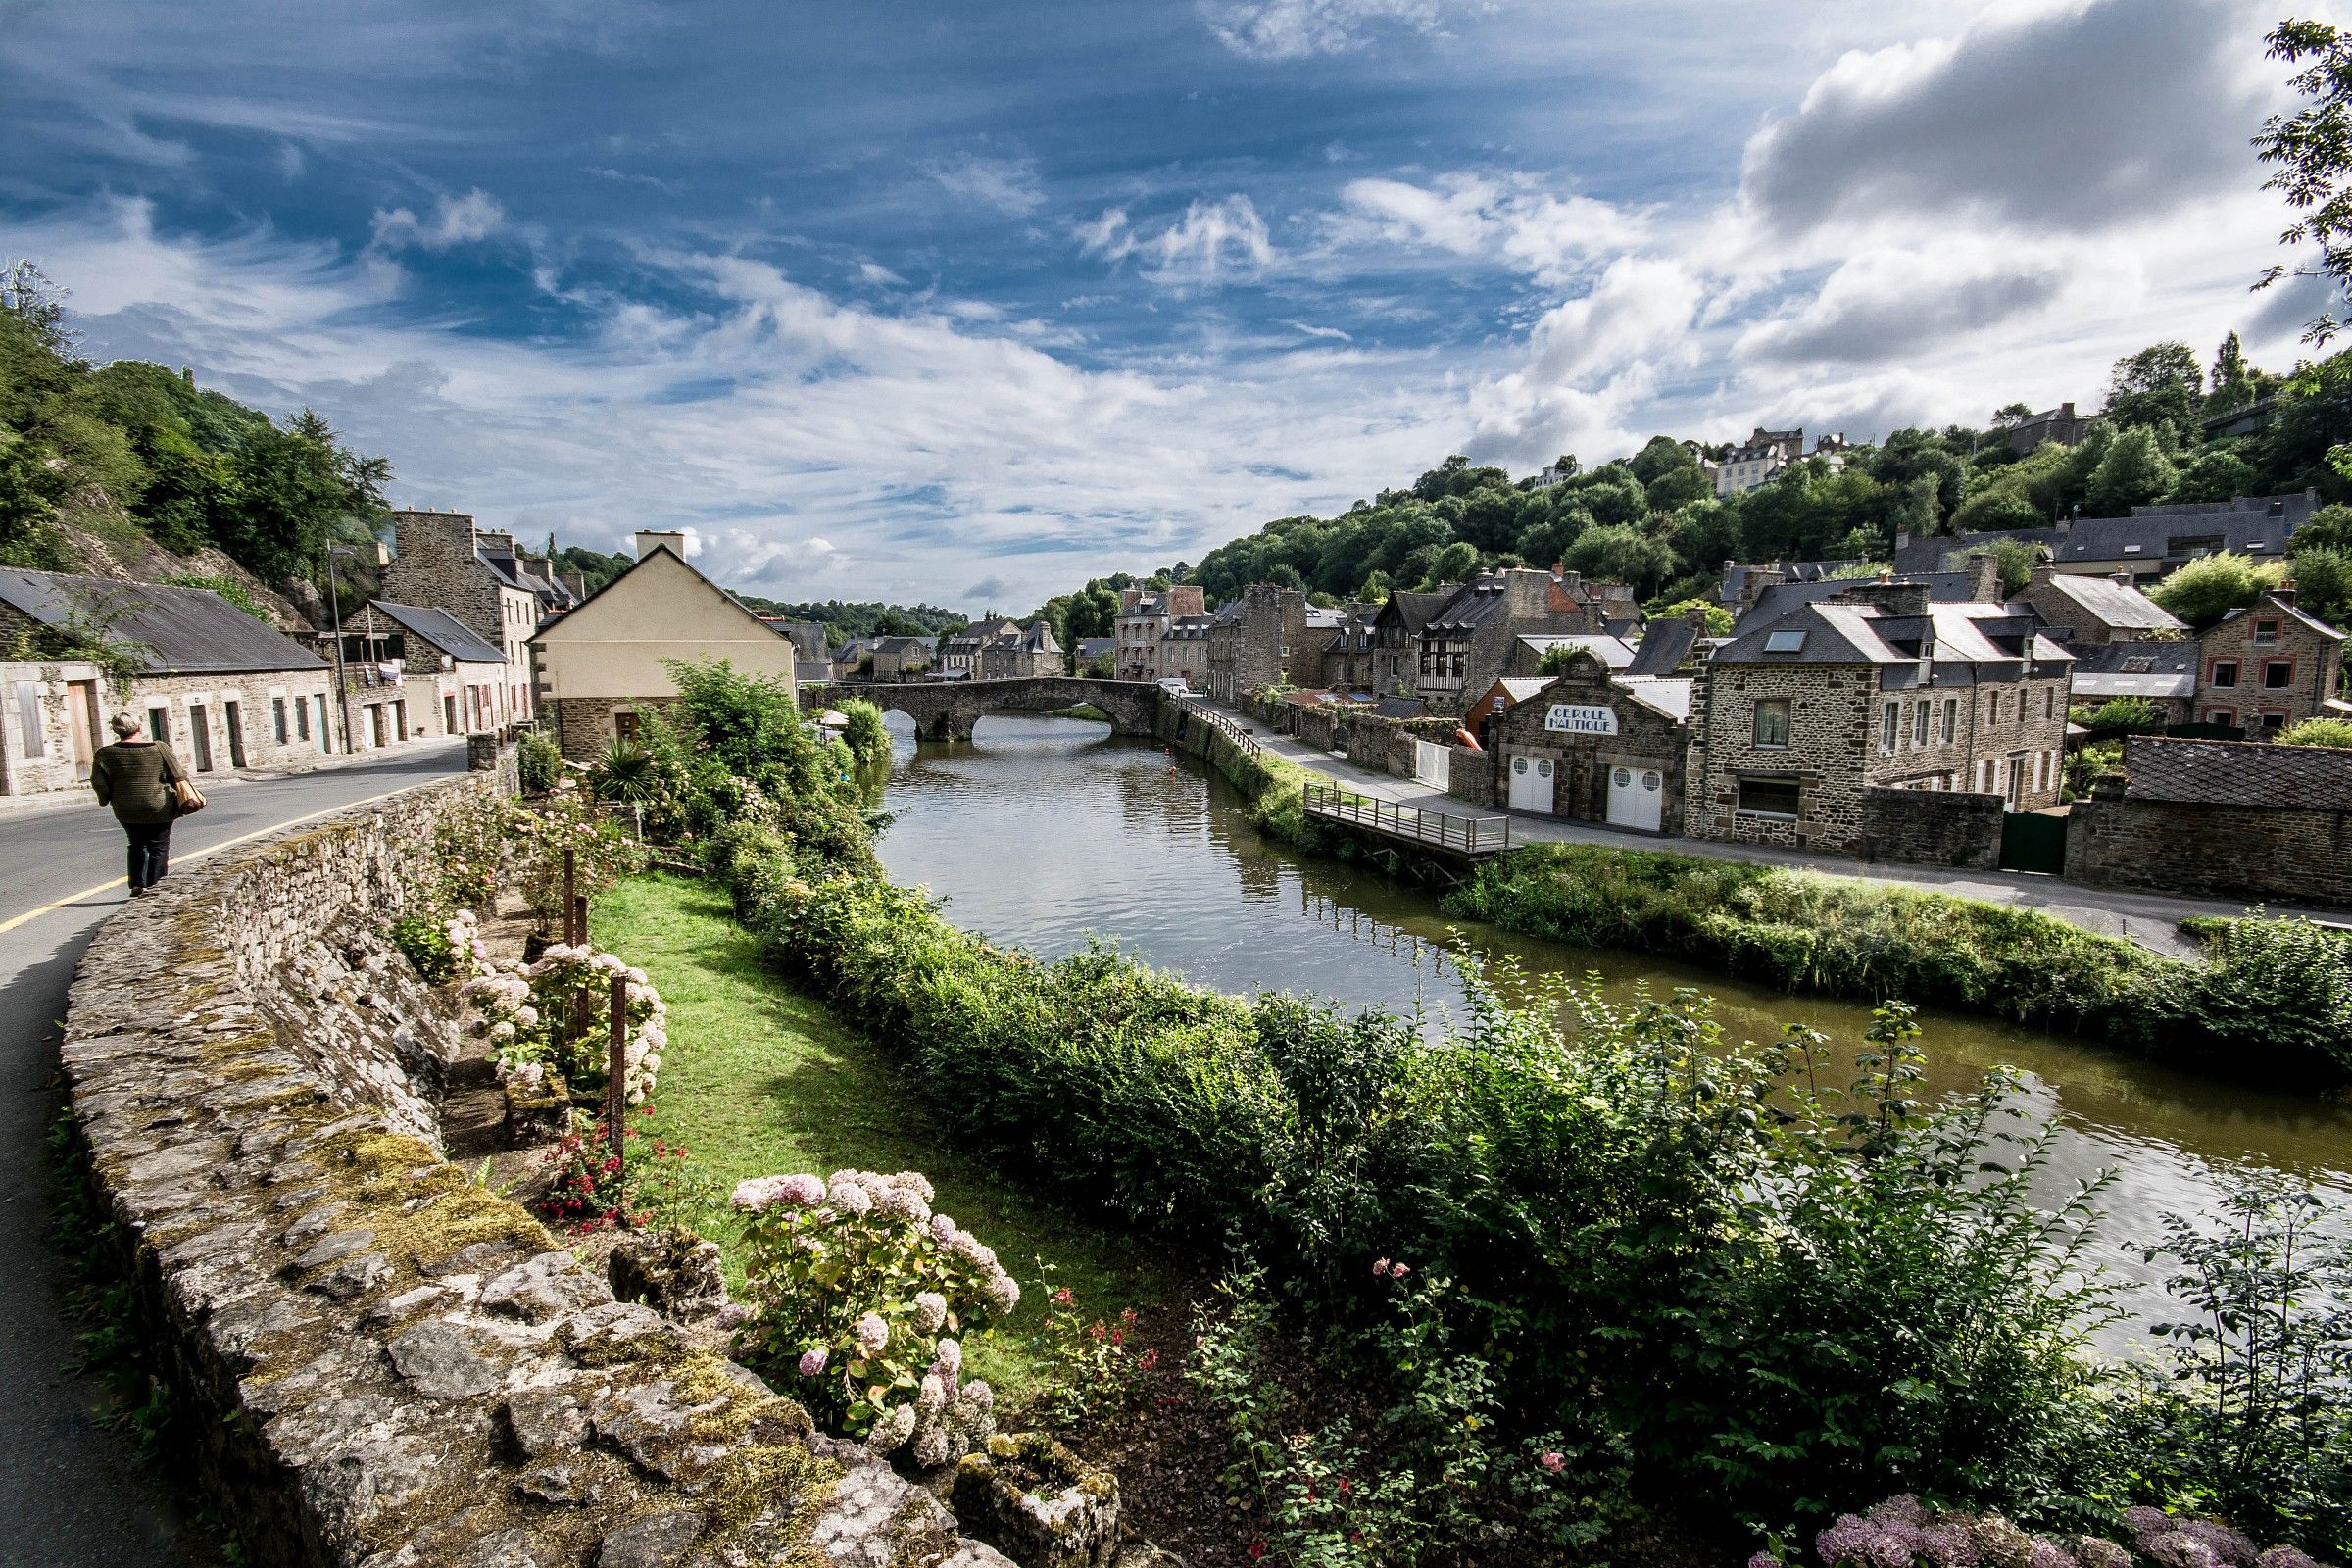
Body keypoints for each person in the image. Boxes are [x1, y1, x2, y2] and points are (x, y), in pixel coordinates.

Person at [90, 711, 192, 896]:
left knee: (136, 843)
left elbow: (99, 783)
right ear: (139, 727)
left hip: (125, 808)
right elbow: (179, 774)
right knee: (158, 845)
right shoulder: (160, 748)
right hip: (158, 805)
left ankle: (137, 884)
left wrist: (105, 799)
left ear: (116, 731)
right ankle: (156, 886)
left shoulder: (104, 754)